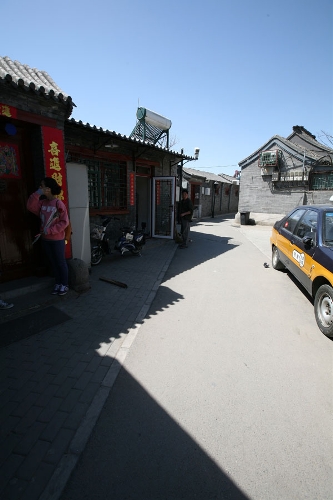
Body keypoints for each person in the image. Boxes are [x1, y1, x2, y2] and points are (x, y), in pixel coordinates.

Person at [27, 177, 69, 296]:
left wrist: (50, 230)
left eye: (42, 186)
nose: (40, 188)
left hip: (57, 239)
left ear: (48, 189)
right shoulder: (42, 203)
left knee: (60, 262)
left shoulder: (58, 203)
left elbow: (64, 222)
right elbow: (30, 206)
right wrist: (37, 193)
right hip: (46, 240)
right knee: (53, 262)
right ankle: (58, 282)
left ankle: (64, 284)